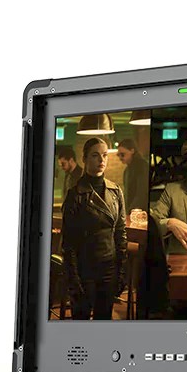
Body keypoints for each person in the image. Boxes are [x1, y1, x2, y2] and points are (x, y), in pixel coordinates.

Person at [60, 136, 127, 320]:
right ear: (85, 159)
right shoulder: (75, 195)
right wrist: (74, 279)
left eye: (105, 155)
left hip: (109, 267)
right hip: (85, 269)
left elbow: (120, 233)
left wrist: (121, 271)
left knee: (103, 321)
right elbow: (68, 243)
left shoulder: (115, 191)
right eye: (95, 155)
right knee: (81, 323)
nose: (101, 160)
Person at [116, 137, 150, 213]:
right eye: (118, 155)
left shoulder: (142, 166)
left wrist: (130, 211)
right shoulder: (127, 170)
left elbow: (142, 193)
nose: (120, 158)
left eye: (122, 154)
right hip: (132, 211)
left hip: (140, 212)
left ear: (132, 151)